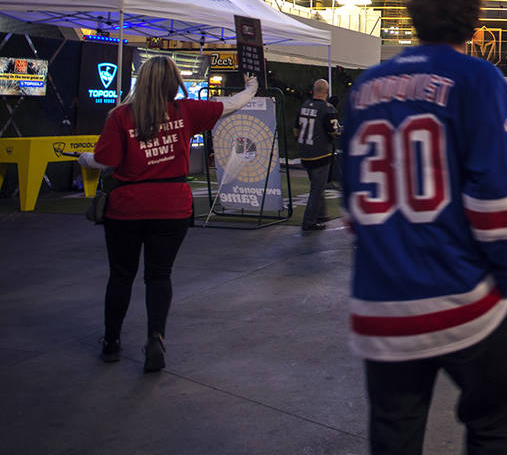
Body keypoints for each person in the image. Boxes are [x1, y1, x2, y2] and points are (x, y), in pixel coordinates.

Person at [342, 0, 507, 454]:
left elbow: (351, 208)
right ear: (475, 24)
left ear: (413, 21)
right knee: (492, 424)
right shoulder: (477, 77)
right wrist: (503, 276)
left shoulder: (365, 86)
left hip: (379, 300)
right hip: (460, 296)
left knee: (393, 433)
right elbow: (502, 205)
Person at [80, 56, 258, 371]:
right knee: (159, 275)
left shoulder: (120, 116)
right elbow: (232, 104)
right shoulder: (185, 111)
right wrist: (252, 86)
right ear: (172, 82)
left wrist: (85, 158)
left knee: (121, 275)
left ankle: (111, 342)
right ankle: (155, 337)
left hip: (127, 208)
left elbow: (106, 161)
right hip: (172, 206)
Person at [296, 78, 341, 231]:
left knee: (317, 186)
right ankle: (309, 221)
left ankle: (321, 214)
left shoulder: (304, 105)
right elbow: (333, 132)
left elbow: (296, 129)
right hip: (320, 154)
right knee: (317, 188)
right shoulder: (328, 109)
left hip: (305, 152)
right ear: (327, 92)